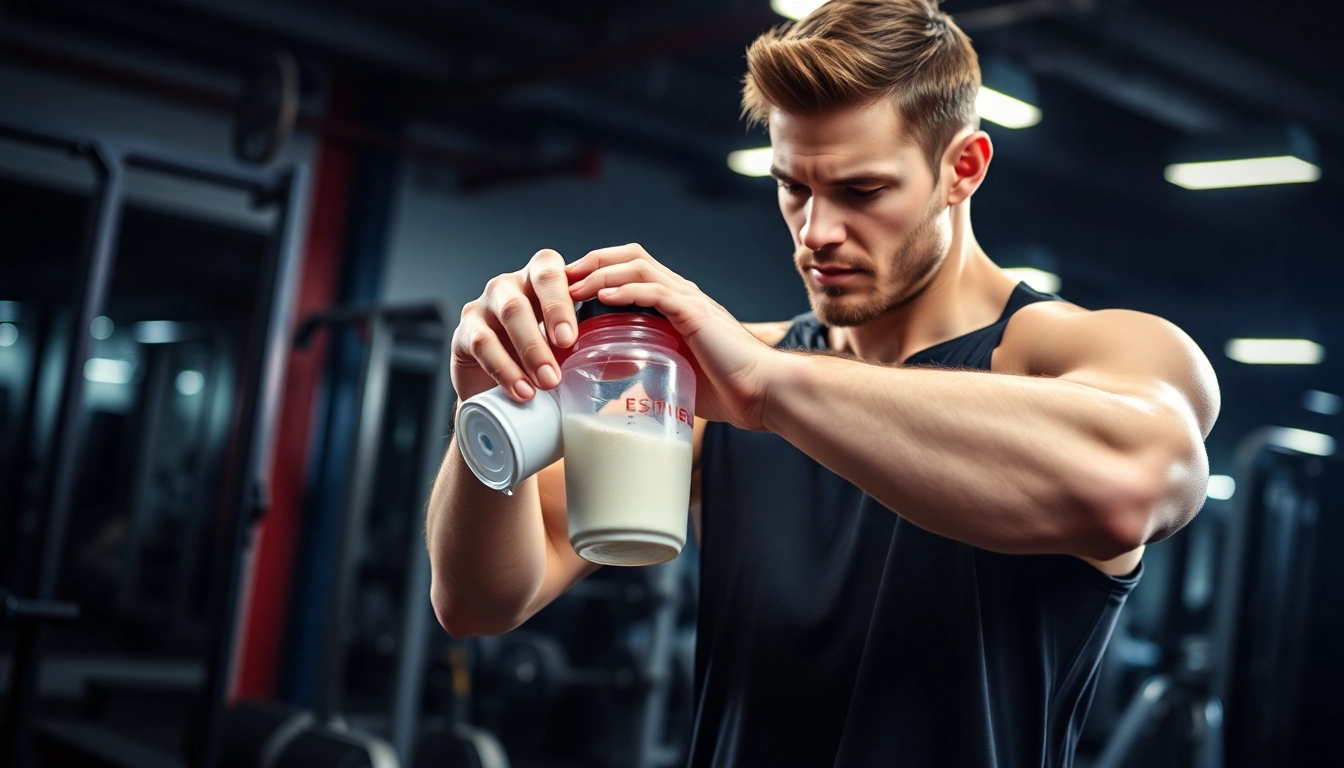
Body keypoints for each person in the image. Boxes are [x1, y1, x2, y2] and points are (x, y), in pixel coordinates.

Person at [425, 0, 1220, 764]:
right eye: (793, 187)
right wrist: (484, 412)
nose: (817, 234)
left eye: (861, 191)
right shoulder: (720, 378)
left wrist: (771, 390)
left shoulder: (1086, 351)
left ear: (963, 168)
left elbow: (1130, 484)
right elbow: (480, 600)